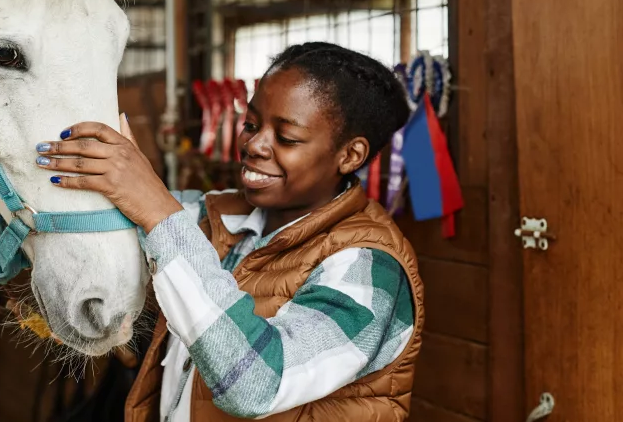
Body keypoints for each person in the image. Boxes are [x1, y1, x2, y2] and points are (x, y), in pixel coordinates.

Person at [34, 42, 423, 421]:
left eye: (286, 138)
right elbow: (114, 221)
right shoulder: (217, 215)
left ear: (350, 155)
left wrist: (155, 205)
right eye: (251, 124)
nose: (254, 144)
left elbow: (256, 385)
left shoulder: (368, 267)